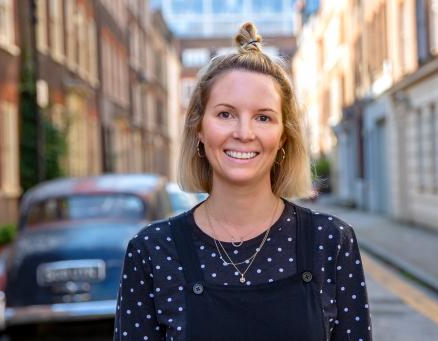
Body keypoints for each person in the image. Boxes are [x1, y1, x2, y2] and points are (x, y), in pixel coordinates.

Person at [114, 22, 372, 341]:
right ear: (199, 128)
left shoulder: (331, 241)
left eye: (263, 117)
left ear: (283, 137)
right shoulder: (152, 251)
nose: (244, 133)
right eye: (225, 114)